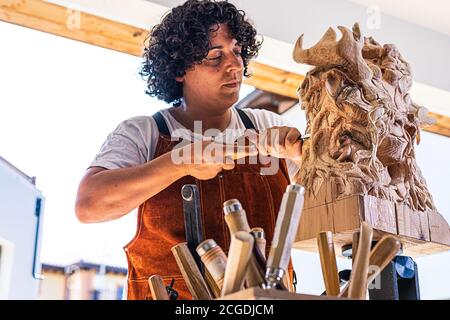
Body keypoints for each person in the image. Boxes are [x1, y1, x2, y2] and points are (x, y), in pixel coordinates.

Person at [75, 0, 303, 300]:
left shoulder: (265, 125)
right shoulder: (145, 132)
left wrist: (305, 156)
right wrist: (181, 161)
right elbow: (90, 205)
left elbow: (328, 206)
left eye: (237, 51)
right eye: (214, 56)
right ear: (180, 69)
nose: (235, 65)